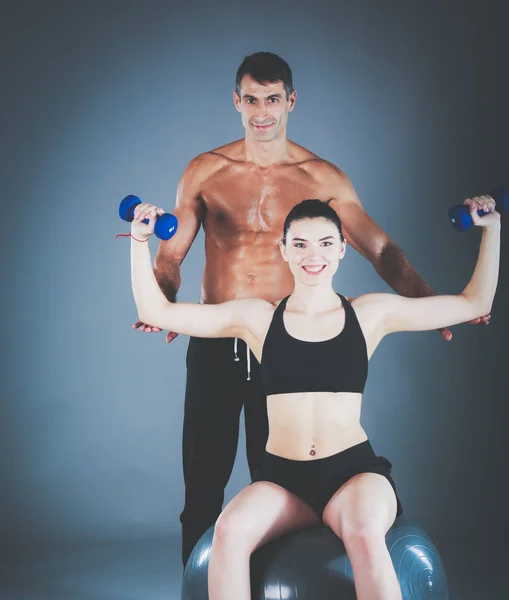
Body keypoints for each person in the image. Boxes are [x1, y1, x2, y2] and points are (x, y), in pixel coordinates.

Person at [132, 52, 490, 566]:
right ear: (237, 101)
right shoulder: (205, 171)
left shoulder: (322, 178)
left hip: (283, 350)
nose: (262, 111)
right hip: (217, 341)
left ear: (290, 101)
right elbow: (170, 255)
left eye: (272, 99)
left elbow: (381, 250)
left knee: (276, 487)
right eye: (251, 99)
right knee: (202, 493)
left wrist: (427, 300)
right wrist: (163, 301)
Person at [128, 194, 500, 600]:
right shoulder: (257, 318)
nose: (313, 255)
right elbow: (157, 312)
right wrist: (138, 239)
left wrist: (492, 229)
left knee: (362, 532)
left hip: (354, 473)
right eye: (300, 244)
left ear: (342, 250)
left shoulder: (370, 314)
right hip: (284, 480)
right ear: (284, 250)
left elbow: (474, 303)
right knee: (229, 532)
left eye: (325, 243)